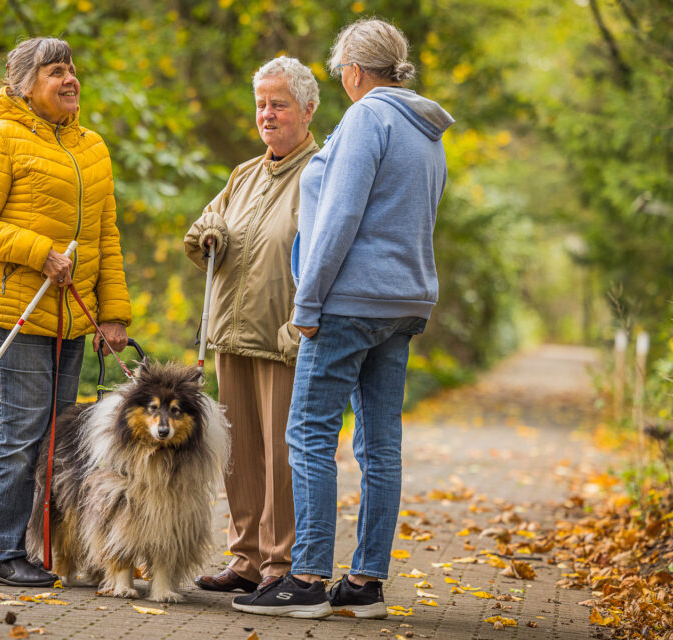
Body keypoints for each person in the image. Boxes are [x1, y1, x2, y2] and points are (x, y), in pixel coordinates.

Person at [230, 19, 454, 619]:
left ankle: (304, 579)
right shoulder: (427, 129)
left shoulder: (366, 118)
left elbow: (339, 218)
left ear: (354, 71)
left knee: (307, 434)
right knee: (380, 445)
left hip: (351, 304)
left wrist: (308, 306)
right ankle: (365, 584)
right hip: (404, 303)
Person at [0, 37, 131, 587]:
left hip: (73, 319)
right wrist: (39, 253)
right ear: (24, 86)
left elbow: (105, 237)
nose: (70, 79)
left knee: (56, 441)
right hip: (20, 314)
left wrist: (114, 313)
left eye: (72, 70)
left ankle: (40, 549)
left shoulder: (92, 148)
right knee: (22, 433)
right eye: (56, 72)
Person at [184, 56, 320, 594]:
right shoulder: (243, 173)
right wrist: (210, 231)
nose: (267, 114)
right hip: (229, 335)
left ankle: (279, 563)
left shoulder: (319, 172)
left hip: (284, 338)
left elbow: (330, 255)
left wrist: (303, 325)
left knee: (281, 455)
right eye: (261, 104)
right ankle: (244, 559)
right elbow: (201, 233)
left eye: (279, 104)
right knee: (237, 453)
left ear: (308, 110)